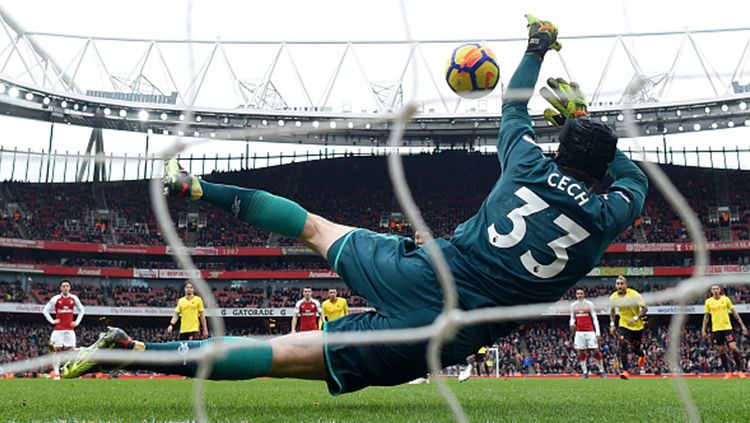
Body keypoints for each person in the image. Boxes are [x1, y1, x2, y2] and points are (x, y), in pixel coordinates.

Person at [62, 15, 647, 396]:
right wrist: (585, 123)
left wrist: (537, 46)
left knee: (312, 226)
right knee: (277, 356)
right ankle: (133, 352)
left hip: (424, 270)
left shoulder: (526, 163)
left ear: (559, 146)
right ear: (603, 170)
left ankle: (198, 189)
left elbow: (515, 108)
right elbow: (632, 180)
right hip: (441, 335)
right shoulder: (608, 216)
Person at [702, 284, 747, 379]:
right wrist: (704, 329)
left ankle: (740, 370)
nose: (715, 290)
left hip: (727, 328)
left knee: (733, 347)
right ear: (711, 291)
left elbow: (734, 313)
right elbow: (706, 317)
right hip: (716, 330)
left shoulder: (725, 299)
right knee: (721, 351)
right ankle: (728, 372)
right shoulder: (708, 302)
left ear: (720, 290)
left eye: (716, 288)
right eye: (713, 289)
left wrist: (742, 325)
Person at [42, 280, 85, 379]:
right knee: (56, 351)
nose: (65, 288)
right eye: (63, 286)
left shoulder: (74, 298)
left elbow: (82, 310)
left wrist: (77, 322)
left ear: (70, 288)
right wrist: (52, 321)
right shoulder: (56, 298)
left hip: (70, 330)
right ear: (60, 288)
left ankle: (72, 373)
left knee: (72, 351)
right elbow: (45, 310)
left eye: (67, 286)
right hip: (58, 330)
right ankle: (57, 374)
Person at [609, 276, 647, 380]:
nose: (619, 286)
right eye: (618, 284)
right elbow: (612, 311)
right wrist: (612, 324)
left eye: (622, 284)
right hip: (624, 325)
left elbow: (645, 309)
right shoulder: (613, 297)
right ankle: (625, 371)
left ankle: (642, 355)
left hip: (637, 326)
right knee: (623, 344)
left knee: (635, 349)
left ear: (626, 285)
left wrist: (635, 318)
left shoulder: (634, 294)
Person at [570, 288, 604, 378]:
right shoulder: (573, 305)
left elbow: (594, 318)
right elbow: (572, 317)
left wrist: (598, 333)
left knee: (595, 351)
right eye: (578, 293)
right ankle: (585, 372)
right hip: (579, 332)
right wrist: (572, 324)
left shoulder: (589, 304)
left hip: (590, 331)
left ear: (584, 294)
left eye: (581, 293)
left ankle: (602, 370)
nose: (579, 295)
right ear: (576, 295)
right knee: (581, 352)